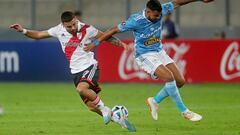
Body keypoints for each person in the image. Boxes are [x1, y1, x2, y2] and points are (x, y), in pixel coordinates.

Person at [84, 0, 214, 122]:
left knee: (180, 81)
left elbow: (177, 2)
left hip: (159, 51)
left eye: (159, 15)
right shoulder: (135, 20)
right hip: (144, 55)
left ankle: (155, 101)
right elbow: (113, 30)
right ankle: (185, 111)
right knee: (169, 77)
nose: (158, 18)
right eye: (156, 15)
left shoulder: (162, 10)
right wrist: (96, 43)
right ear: (147, 12)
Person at [10, 11, 135, 131]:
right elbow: (38, 35)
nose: (72, 27)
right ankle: (117, 118)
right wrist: (23, 30)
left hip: (90, 66)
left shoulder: (88, 29)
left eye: (74, 24)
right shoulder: (58, 30)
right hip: (76, 72)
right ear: (63, 25)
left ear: (76, 19)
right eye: (69, 26)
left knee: (81, 89)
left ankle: (105, 109)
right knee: (91, 106)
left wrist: (122, 45)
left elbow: (106, 37)